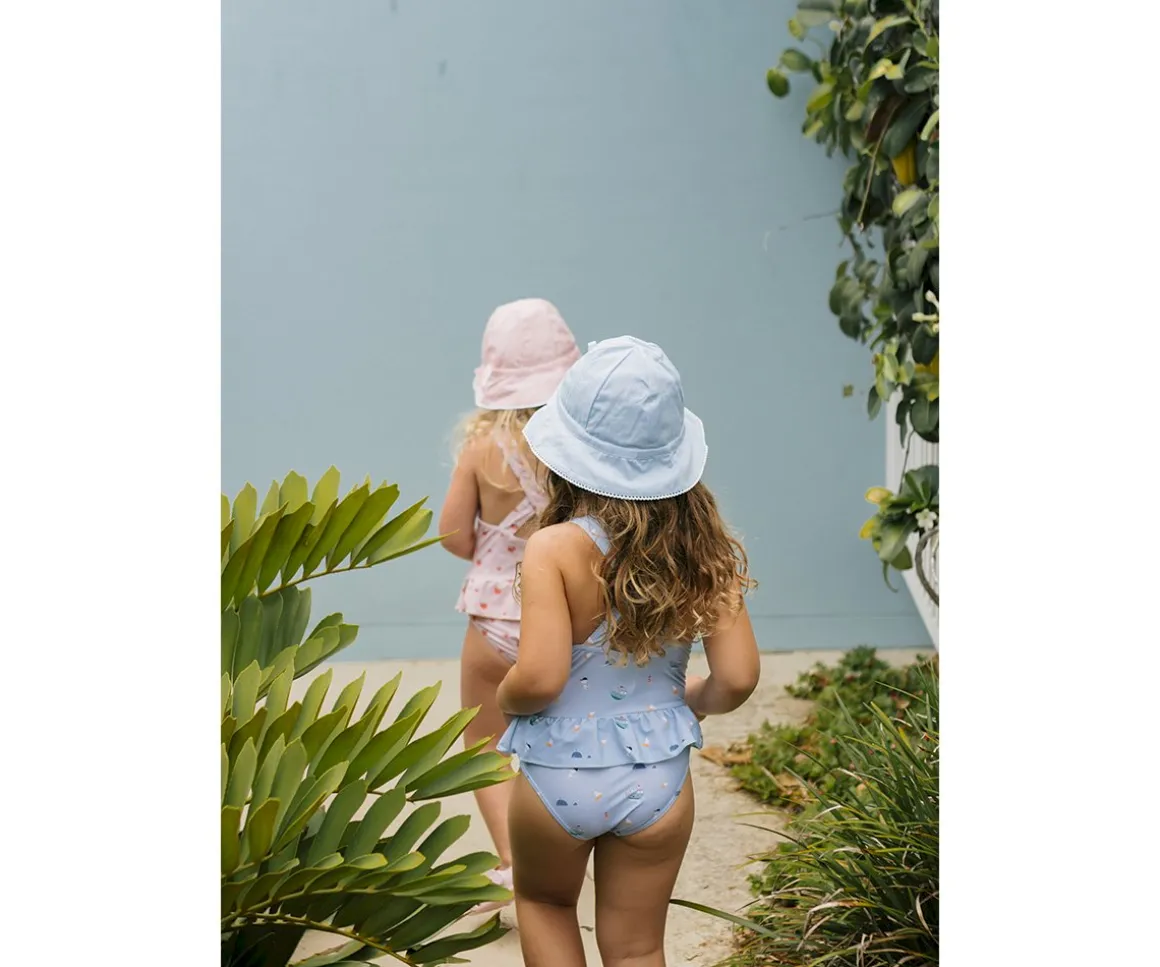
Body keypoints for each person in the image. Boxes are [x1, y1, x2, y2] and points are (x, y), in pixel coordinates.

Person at [496, 336, 761, 967]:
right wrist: (692, 699)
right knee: (638, 946)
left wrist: (506, 697)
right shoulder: (706, 551)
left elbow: (539, 678)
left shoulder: (554, 548)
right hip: (658, 785)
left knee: (545, 905)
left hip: (558, 775)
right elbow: (738, 676)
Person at [438, 297, 581, 909]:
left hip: (492, 621)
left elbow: (452, 534)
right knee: (563, 736)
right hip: (564, 622)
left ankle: (511, 858)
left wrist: (491, 548)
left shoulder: (481, 448)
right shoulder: (577, 449)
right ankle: (562, 848)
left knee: (482, 742)